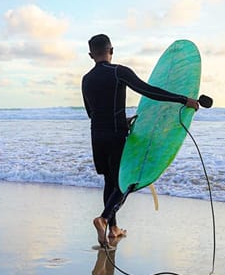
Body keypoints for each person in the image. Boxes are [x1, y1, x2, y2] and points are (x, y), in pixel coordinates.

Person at [81, 34, 200, 247]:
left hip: (97, 137)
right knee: (125, 182)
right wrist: (184, 100)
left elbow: (92, 113)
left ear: (91, 55)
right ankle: (104, 219)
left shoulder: (86, 80)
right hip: (116, 136)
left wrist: (122, 120)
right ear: (112, 50)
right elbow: (149, 91)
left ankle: (113, 229)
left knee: (110, 181)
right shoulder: (119, 72)